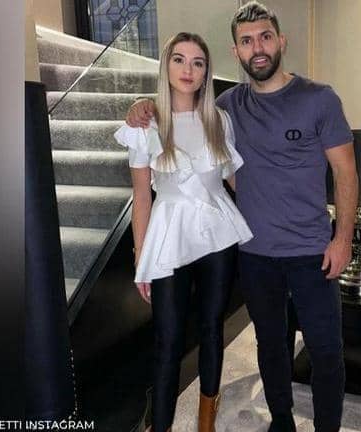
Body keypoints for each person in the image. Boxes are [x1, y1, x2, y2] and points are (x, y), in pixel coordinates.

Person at [126, 3, 358, 431]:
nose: (258, 48)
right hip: (254, 251)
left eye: (265, 37)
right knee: (270, 346)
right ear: (236, 51)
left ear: (280, 41)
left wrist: (343, 238)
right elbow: (188, 124)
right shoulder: (228, 107)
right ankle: (281, 421)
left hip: (312, 249)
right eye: (247, 41)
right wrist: (143, 105)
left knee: (326, 349)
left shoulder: (318, 98)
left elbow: (346, 172)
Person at [114, 32, 253, 432]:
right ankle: (160, 424)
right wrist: (141, 257)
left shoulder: (219, 121)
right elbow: (142, 197)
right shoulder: (146, 123)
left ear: (206, 72)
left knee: (211, 328)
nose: (188, 70)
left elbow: (235, 181)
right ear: (166, 66)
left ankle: (207, 421)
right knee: (169, 339)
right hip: (169, 234)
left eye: (198, 62)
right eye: (179, 59)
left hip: (217, 233)